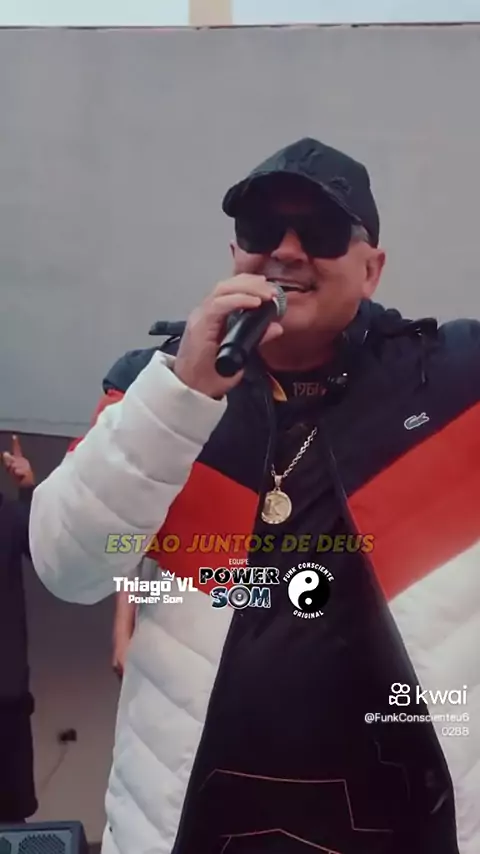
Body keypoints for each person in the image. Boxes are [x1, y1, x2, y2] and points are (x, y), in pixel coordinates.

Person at [28, 137, 479, 854]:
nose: (287, 252)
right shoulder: (157, 386)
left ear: (371, 269)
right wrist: (182, 391)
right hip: (198, 822)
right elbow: (68, 565)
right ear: (235, 252)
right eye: (262, 229)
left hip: (403, 822)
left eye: (321, 231)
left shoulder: (454, 380)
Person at [0, 435, 38, 823]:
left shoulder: (7, 515)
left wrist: (28, 489)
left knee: (11, 820)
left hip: (6, 699)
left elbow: (41, 547)